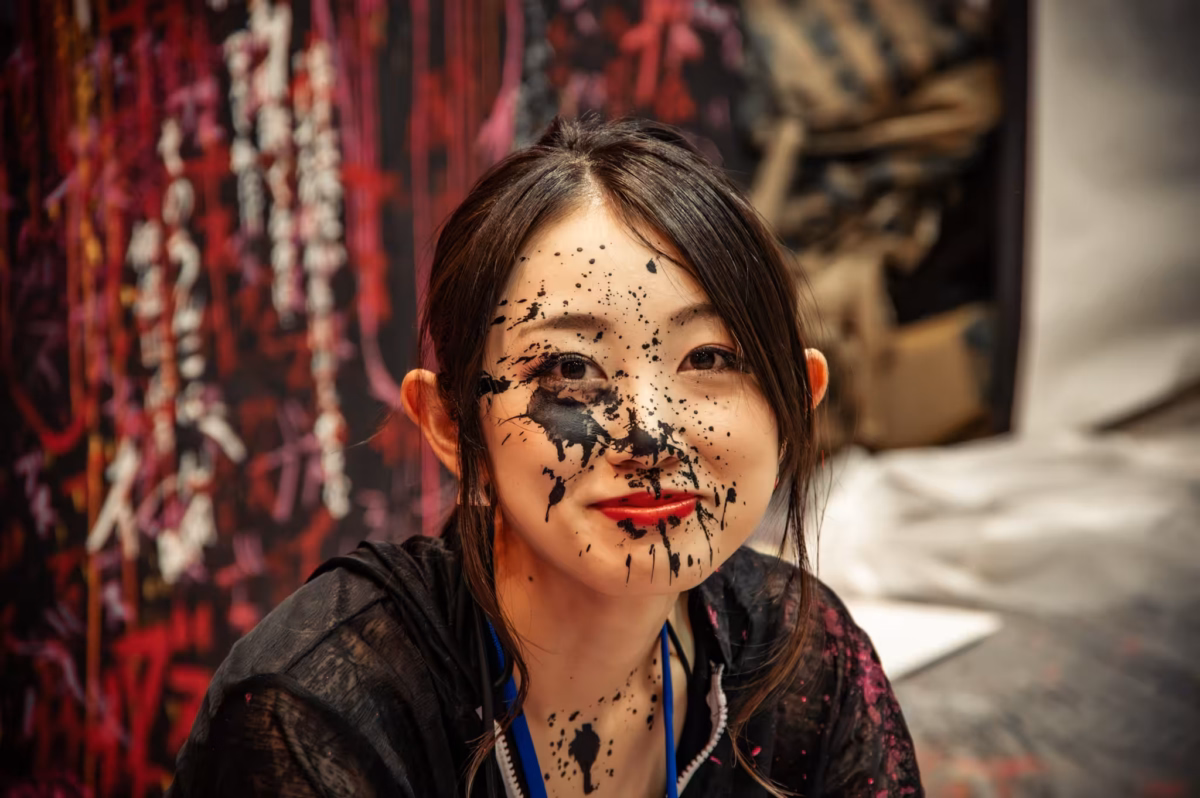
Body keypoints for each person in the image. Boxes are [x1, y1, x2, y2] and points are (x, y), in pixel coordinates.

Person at [168, 116, 922, 797]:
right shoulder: (323, 714)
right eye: (567, 370)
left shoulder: (802, 662)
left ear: (798, 399)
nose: (650, 435)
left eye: (710, 357)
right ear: (449, 427)